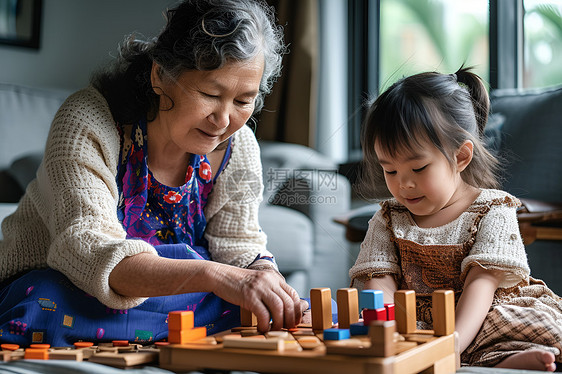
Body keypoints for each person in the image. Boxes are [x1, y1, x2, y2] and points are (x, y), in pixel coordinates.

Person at [0, 0, 307, 347]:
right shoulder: (87, 121)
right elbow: (88, 251)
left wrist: (263, 278)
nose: (223, 121)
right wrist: (216, 275)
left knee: (256, 304)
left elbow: (237, 243)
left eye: (242, 102)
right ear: (160, 75)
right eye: (210, 94)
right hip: (77, 285)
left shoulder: (239, 145)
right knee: (45, 299)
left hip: (176, 295)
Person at [349, 67, 562, 371]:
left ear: (461, 157)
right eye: (391, 171)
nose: (404, 184)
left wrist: (451, 346)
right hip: (421, 323)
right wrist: (390, 331)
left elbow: (481, 286)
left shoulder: (492, 209)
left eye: (419, 169)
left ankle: (509, 357)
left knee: (520, 324)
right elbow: (379, 280)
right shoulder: (388, 217)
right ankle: (498, 359)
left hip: (483, 313)